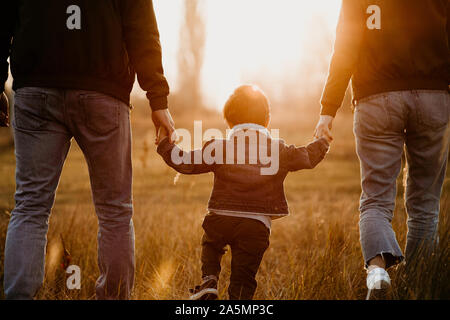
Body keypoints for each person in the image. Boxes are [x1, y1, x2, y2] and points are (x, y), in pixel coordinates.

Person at [1, 0, 175, 299]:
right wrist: (157, 98)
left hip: (36, 89)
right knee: (115, 211)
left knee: (30, 205)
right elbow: (142, 30)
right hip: (103, 93)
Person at [315, 0, 450, 293]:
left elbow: (345, 48)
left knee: (375, 200)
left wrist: (328, 109)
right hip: (434, 96)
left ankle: (378, 275)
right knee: (426, 204)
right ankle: (419, 286)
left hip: (376, 99)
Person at [157, 85, 330, 300]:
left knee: (211, 244)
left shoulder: (219, 147)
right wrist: (323, 140)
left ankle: (209, 280)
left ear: (229, 122)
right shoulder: (277, 149)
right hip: (255, 226)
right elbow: (307, 156)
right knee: (243, 280)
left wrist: (165, 144)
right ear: (267, 120)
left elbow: (185, 162)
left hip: (220, 217)